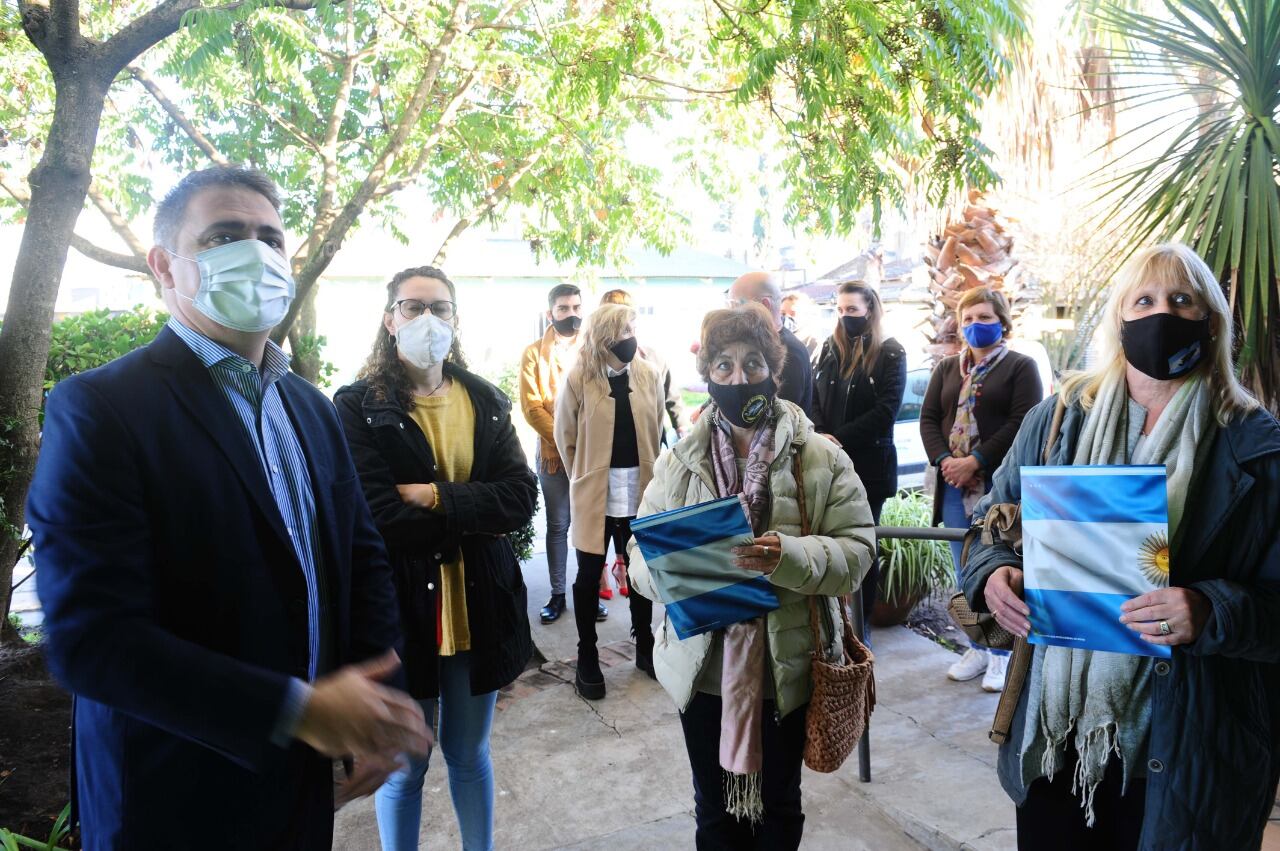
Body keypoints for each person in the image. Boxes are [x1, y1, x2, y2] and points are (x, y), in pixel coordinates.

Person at [26, 166, 431, 850]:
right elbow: (90, 637)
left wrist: (371, 692)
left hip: (301, 787)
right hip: (171, 802)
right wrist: (298, 709)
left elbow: (359, 555)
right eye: (224, 235)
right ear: (165, 265)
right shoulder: (101, 409)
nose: (256, 253)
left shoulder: (309, 404)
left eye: (270, 237)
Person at [964, 243, 1280, 850]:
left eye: (1181, 300)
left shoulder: (1252, 446)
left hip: (1185, 749)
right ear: (1119, 319)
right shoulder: (1058, 420)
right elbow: (990, 524)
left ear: (1209, 322)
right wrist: (993, 574)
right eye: (1145, 300)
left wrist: (1211, 611)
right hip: (1057, 740)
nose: (1162, 313)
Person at [628, 304, 875, 850]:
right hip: (703, 673)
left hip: (785, 671)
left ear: (774, 370)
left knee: (780, 809)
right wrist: (680, 570)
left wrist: (786, 557)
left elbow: (858, 551)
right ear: (708, 376)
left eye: (753, 364)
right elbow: (638, 552)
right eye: (724, 366)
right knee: (714, 813)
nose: (740, 379)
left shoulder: (819, 456)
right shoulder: (680, 460)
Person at [334, 265, 536, 851]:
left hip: (481, 606)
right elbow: (376, 517)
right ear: (389, 317)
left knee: (469, 754)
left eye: (440, 308)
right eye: (412, 306)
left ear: (455, 318)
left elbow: (521, 497)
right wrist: (473, 516)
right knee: (406, 761)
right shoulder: (356, 407)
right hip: (402, 610)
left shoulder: (486, 400)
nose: (427, 320)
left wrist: (437, 496)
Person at [919, 285, 1042, 692]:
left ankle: (1003, 655)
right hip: (953, 488)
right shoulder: (946, 369)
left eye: (985, 317)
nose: (975, 325)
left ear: (1002, 322)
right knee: (964, 570)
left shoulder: (1021, 367)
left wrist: (977, 461)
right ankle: (979, 647)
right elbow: (930, 419)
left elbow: (1022, 422)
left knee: (998, 566)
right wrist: (946, 463)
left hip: (997, 489)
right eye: (968, 319)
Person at [554, 303, 666, 700]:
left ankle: (645, 646)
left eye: (633, 328)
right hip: (595, 491)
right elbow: (564, 435)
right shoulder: (579, 378)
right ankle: (587, 655)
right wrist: (582, 477)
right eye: (624, 331)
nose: (631, 338)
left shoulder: (650, 375)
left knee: (639, 571)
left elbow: (658, 426)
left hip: (640, 487)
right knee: (589, 574)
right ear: (604, 337)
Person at [813, 282, 907, 615]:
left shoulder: (890, 352)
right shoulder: (829, 348)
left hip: (868, 467)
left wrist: (840, 437)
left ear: (870, 309)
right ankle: (835, 622)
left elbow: (886, 410)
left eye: (851, 309)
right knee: (830, 546)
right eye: (840, 309)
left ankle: (862, 627)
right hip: (827, 464)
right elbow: (815, 397)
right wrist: (822, 434)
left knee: (864, 548)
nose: (845, 316)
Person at [518, 284, 607, 624]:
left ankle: (589, 592)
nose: (571, 314)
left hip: (591, 453)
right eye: (563, 308)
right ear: (550, 313)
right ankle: (558, 595)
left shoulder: (594, 350)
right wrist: (565, 439)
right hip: (554, 454)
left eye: (576, 307)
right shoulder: (533, 354)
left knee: (590, 525)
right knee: (558, 525)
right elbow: (532, 407)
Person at [727, 272, 814, 417]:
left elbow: (777, 417)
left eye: (736, 304)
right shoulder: (759, 342)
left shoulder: (789, 352)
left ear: (764, 305)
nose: (730, 311)